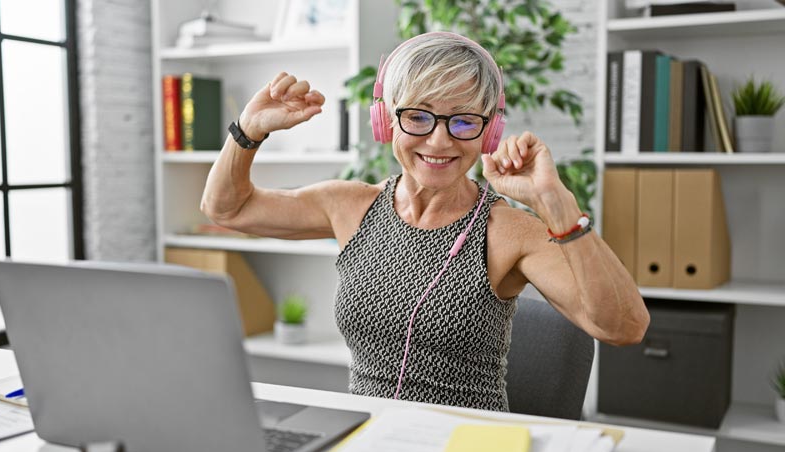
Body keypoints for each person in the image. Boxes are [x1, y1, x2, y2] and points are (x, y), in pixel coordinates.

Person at [201, 32, 649, 412]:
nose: (439, 140)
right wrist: (247, 130)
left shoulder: (508, 231)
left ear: (490, 131)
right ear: (385, 120)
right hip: (369, 444)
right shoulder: (349, 206)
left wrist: (557, 204)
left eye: (464, 121)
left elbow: (623, 328)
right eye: (417, 115)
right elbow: (227, 208)